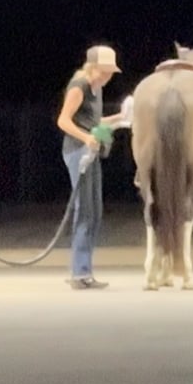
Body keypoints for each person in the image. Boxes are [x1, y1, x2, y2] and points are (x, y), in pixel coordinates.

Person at [56, 44, 128, 290]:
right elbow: (63, 120)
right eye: (104, 71)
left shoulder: (96, 89)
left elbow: (94, 121)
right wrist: (86, 138)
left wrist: (120, 118)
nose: (108, 77)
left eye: (110, 72)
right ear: (93, 67)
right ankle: (79, 272)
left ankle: (85, 270)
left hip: (92, 151)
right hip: (78, 151)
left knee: (95, 210)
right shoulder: (80, 86)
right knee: (84, 209)